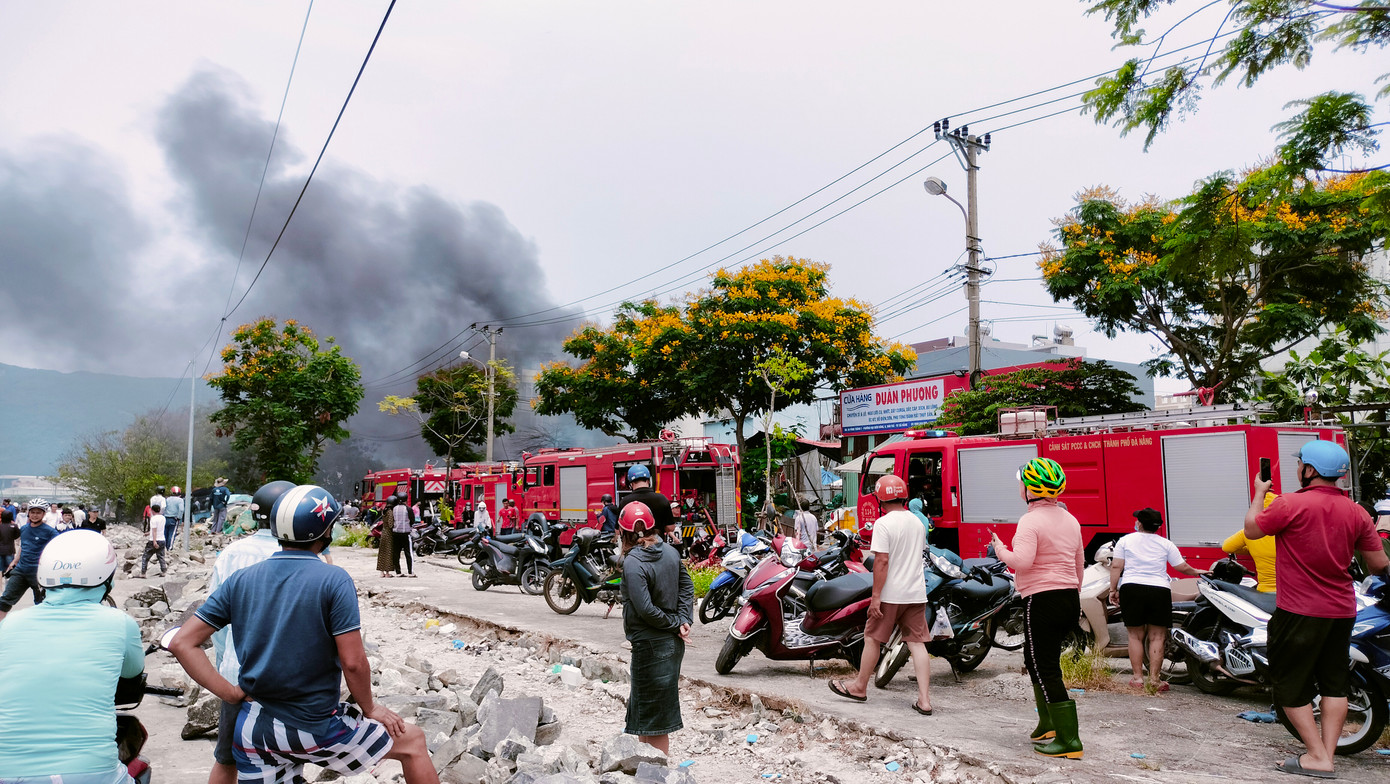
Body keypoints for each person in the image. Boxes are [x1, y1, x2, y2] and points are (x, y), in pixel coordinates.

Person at [169, 484, 438, 784]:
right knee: (413, 742)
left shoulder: (241, 580)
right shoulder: (333, 579)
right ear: (323, 531)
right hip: (312, 728)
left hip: (253, 730)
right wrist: (370, 707)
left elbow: (182, 642)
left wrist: (231, 693)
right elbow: (353, 662)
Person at [1244, 441, 1389, 779]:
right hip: (1342, 610)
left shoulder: (1288, 504)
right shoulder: (1357, 512)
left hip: (1298, 612)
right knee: (1334, 683)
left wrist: (1258, 493)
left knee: (1289, 685)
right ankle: (1326, 755)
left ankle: (1317, 756)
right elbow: (1379, 563)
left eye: (1300, 465)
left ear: (1309, 471)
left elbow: (1252, 530)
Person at [0, 530, 144, 782]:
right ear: (107, 576)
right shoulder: (120, 623)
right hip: (90, 771)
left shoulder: (10, 623)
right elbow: (132, 673)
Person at [203, 480, 297, 784]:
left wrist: (223, 664)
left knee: (227, 759)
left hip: (237, 678)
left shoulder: (232, 554)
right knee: (287, 763)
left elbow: (213, 624)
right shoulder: (309, 559)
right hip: (288, 684)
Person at [991, 458, 1085, 759]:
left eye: (1022, 483)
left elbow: (1021, 562)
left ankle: (1069, 741)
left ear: (1030, 489)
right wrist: (1072, 590)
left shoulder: (1030, 521)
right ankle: (1048, 725)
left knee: (1044, 667)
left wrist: (999, 549)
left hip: (1041, 599)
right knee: (1038, 662)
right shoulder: (1070, 520)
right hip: (1069, 597)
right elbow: (1079, 564)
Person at [828, 475, 935, 716]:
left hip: (890, 594)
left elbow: (882, 562)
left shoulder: (883, 524)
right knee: (917, 644)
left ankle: (859, 687)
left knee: (872, 638)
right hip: (916, 593)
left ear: (880, 498)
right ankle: (925, 700)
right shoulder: (918, 523)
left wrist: (876, 597)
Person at [618, 501, 694, 755]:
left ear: (624, 532)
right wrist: (684, 619)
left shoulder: (633, 562)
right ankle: (648, 770)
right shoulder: (672, 553)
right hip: (669, 645)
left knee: (655, 720)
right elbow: (687, 587)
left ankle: (657, 773)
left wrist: (676, 623)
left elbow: (646, 609)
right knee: (648, 716)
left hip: (651, 645)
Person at [1109, 508, 1205, 691]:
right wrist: (1199, 572)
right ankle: (1154, 680)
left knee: (1135, 635)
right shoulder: (1166, 544)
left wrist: (1113, 589)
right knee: (1158, 636)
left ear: (1139, 524)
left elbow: (1116, 565)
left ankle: (1137, 679)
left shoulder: (1126, 540)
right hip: (1159, 590)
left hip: (1132, 588)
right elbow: (1182, 567)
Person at [0, 500, 59, 619]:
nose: (35, 515)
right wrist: (15, 561)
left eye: (38, 512)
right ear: (28, 513)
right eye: (32, 512)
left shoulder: (50, 532)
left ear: (43, 514)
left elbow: (57, 548)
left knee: (41, 603)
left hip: (39, 573)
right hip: (21, 570)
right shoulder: (25, 528)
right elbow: (23, 546)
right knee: (5, 600)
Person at [1221, 492, 1278, 592]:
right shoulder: (1288, 533)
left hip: (1265, 590)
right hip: (1288, 593)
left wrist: (1252, 549)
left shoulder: (1249, 532)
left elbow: (1227, 547)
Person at [620, 465, 677, 543]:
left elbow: (619, 530)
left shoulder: (625, 502)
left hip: (633, 549)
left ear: (631, 484)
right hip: (657, 547)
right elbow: (671, 528)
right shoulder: (662, 499)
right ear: (648, 481)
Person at [139, 503, 168, 578]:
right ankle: (164, 571)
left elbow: (154, 531)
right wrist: (148, 533)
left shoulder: (153, 519)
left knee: (145, 557)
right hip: (162, 539)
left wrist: (154, 541)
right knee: (161, 557)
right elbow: (158, 529)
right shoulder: (163, 518)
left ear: (152, 510)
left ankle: (143, 573)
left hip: (153, 540)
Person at [392, 496, 416, 578]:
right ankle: (410, 572)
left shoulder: (394, 509)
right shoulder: (408, 509)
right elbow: (412, 520)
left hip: (396, 533)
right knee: (408, 553)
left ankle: (398, 572)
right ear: (406, 500)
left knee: (396, 553)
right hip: (406, 533)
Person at [376, 495, 398, 579]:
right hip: (389, 533)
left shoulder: (384, 511)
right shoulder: (390, 512)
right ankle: (387, 573)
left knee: (382, 553)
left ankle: (382, 572)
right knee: (388, 553)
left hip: (383, 532)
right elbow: (390, 524)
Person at [0, 511, 20, 583]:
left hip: (0, 550)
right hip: (10, 550)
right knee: (10, 567)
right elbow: (17, 535)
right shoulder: (14, 526)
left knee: (0, 568)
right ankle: (8, 582)